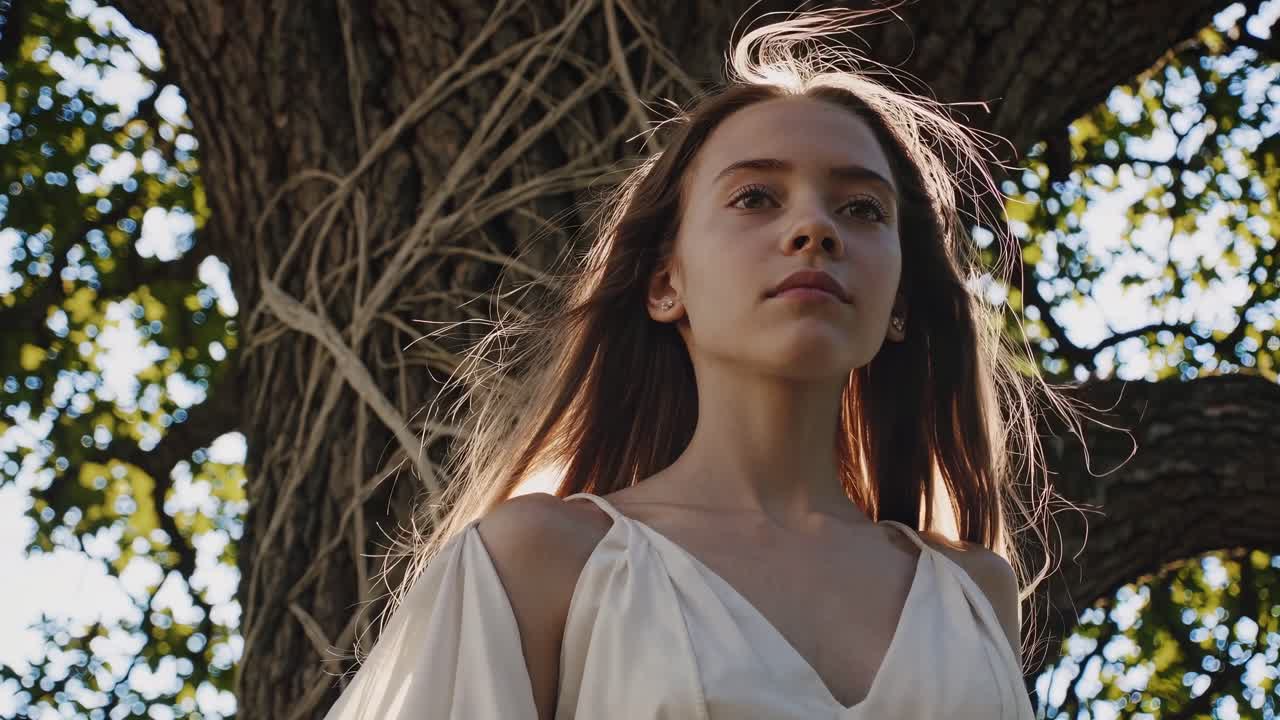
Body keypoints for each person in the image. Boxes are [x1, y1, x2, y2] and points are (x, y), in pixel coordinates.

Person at [323, 6, 1081, 719]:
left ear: (900, 306)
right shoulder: (543, 562)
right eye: (756, 197)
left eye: (861, 209)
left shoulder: (974, 595)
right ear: (664, 283)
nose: (814, 226)